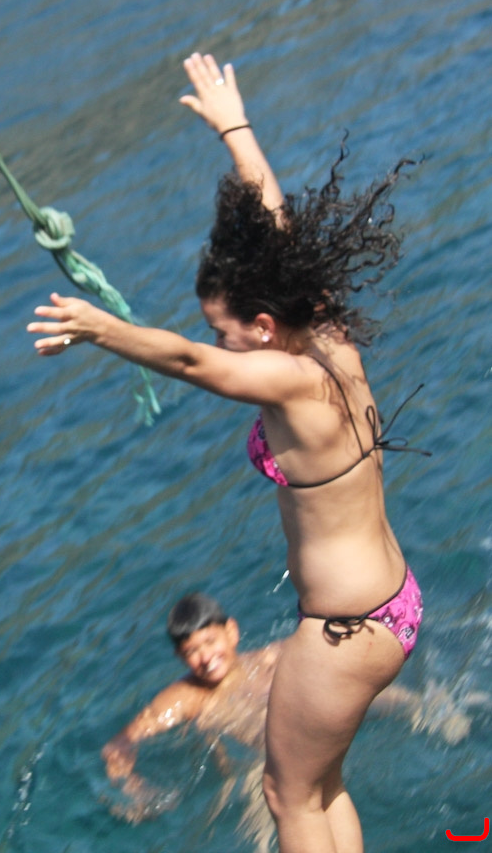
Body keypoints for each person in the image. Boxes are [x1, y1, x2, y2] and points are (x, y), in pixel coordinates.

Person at [27, 52, 429, 853]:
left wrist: (100, 328)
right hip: (389, 605)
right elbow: (278, 233)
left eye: (225, 329)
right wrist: (235, 131)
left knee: (288, 795)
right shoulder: (325, 334)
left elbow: (187, 362)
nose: (218, 341)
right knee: (319, 783)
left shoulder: (289, 382)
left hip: (346, 627)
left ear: (263, 329)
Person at [101, 593, 474, 847]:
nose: (205, 657)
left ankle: (426, 709)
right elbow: (118, 743)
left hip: (313, 734)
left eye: (209, 642)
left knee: (353, 692)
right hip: (262, 764)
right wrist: (131, 785)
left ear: (231, 631)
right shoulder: (186, 698)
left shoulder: (272, 657)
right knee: (259, 806)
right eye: (191, 652)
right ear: (181, 659)